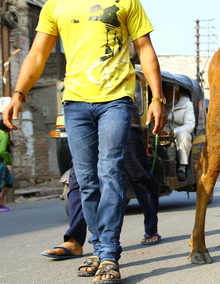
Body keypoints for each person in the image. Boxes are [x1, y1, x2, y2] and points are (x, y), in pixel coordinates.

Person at [3, 0, 166, 284]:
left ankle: (108, 255)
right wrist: (18, 93)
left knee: (109, 173)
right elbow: (38, 54)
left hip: (116, 101)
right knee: (86, 180)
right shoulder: (56, 5)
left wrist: (156, 98)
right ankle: (98, 249)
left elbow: (145, 50)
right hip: (76, 104)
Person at [41, 103, 162, 265]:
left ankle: (150, 227)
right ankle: (75, 240)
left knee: (137, 175)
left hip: (119, 113)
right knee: (79, 177)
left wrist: (157, 98)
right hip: (83, 115)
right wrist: (19, 94)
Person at [163, 85, 195, 181]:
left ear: (175, 93)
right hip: (162, 133)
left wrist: (172, 132)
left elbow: (190, 125)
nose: (166, 95)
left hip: (179, 133)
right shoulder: (162, 104)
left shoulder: (187, 104)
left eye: (169, 92)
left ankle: (182, 167)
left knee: (184, 136)